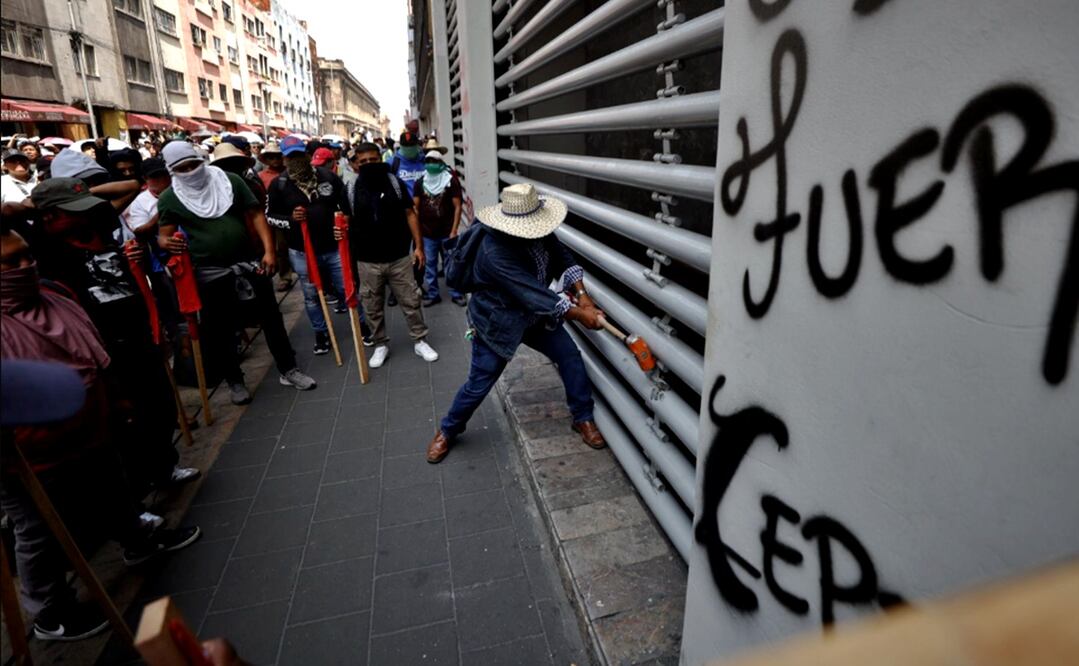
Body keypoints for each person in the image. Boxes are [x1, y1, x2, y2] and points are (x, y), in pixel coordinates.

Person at [0, 227, 202, 642]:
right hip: (27, 454)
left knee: (112, 487)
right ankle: (49, 612)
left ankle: (136, 540)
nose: (26, 266)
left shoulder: (53, 294)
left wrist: (116, 400)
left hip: (90, 427)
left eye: (26, 255)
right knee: (38, 530)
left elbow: (92, 347)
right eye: (11, 262)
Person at [27, 178, 200, 493]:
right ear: (48, 215)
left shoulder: (96, 220)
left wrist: (79, 195)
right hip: (98, 345)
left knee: (161, 406)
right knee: (125, 418)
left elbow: (130, 186)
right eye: (71, 210)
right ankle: (138, 488)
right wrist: (38, 203)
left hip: (137, 330)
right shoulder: (41, 243)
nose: (82, 214)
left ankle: (165, 468)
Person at [426, 183, 607, 463]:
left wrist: (584, 297)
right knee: (479, 383)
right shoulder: (493, 251)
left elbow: (562, 257)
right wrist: (581, 314)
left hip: (535, 317)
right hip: (499, 321)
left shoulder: (541, 229)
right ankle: (448, 430)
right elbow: (535, 294)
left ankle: (582, 417)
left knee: (570, 356)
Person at [155, 142, 317, 404]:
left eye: (193, 165)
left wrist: (269, 251)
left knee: (271, 318)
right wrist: (167, 243)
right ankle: (235, 381)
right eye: (182, 169)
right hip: (208, 273)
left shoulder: (229, 181)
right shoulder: (170, 198)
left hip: (249, 262)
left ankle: (289, 369)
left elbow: (255, 215)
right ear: (172, 171)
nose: (190, 171)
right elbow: (163, 236)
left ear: (201, 161)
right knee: (220, 329)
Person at [339, 142, 438, 368]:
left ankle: (420, 340)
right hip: (366, 260)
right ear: (356, 164)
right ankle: (380, 344)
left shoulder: (395, 183)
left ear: (380, 159)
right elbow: (344, 219)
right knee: (372, 305)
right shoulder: (351, 189)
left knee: (411, 300)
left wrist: (419, 247)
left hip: (399, 257)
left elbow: (410, 214)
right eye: (363, 162)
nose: (369, 164)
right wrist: (339, 229)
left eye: (373, 160)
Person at [266, 135, 352, 356]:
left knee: (346, 288)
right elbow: (270, 217)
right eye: (290, 157)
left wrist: (341, 222)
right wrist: (290, 219)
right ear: (284, 160)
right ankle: (321, 334)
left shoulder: (328, 177)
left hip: (332, 247)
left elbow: (345, 207)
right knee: (312, 295)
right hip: (302, 251)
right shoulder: (279, 185)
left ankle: (361, 326)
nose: (295, 160)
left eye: (298, 155)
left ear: (306, 155)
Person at [414, 148, 465, 307]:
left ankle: (456, 293)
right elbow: (415, 207)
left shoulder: (450, 181)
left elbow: (457, 207)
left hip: (447, 231)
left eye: (434, 162)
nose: (431, 165)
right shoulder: (420, 182)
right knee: (430, 265)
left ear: (441, 163)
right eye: (428, 162)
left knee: (451, 264)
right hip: (428, 233)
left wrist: (454, 230)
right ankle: (433, 293)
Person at [390, 131, 426, 197]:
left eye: (412, 146)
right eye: (406, 147)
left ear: (417, 145)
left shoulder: (425, 159)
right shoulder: (392, 162)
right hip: (405, 206)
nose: (409, 149)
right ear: (400, 146)